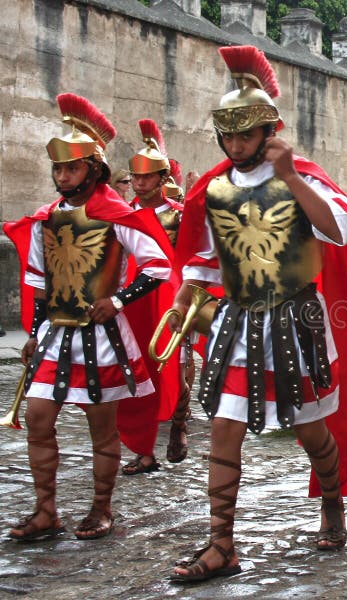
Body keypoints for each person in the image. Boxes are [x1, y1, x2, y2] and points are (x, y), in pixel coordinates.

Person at [170, 46, 347, 582]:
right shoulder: (213, 190)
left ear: (268, 131)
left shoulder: (306, 179)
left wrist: (291, 175)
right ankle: (221, 543)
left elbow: (340, 229)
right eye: (227, 137)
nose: (235, 146)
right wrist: (187, 292)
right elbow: (205, 255)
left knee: (312, 431)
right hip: (237, 320)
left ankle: (332, 502)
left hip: (295, 322)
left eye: (245, 136)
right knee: (225, 427)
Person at [3, 93, 172, 541]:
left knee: (102, 430)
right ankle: (46, 511)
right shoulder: (46, 219)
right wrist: (35, 332)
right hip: (57, 336)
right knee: (38, 420)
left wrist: (117, 301)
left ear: (92, 168)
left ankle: (102, 508)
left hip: (102, 338)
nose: (63, 176)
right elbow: (39, 282)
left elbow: (158, 266)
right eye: (58, 169)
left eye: (71, 168)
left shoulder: (115, 217)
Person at [124, 119, 190, 472]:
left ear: (163, 179)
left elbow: (192, 259)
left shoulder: (180, 216)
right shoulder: (122, 216)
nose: (139, 183)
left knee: (174, 373)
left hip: (171, 302)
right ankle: (144, 448)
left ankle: (178, 425)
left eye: (146, 177)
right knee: (137, 376)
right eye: (135, 178)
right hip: (133, 303)